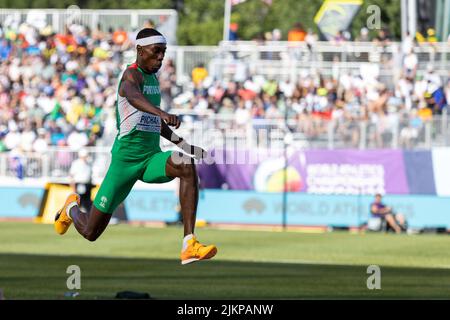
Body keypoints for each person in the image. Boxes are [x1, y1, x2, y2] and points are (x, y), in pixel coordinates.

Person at [54, 28, 217, 265]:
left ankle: (189, 243)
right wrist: (162, 112)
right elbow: (132, 97)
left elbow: (155, 125)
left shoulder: (152, 80)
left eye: (164, 52)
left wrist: (186, 146)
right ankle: (70, 209)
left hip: (151, 158)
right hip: (125, 163)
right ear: (140, 51)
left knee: (185, 163)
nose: (161, 57)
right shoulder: (131, 76)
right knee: (90, 232)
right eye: (156, 52)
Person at [69, 148, 93, 213]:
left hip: (87, 185)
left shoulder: (89, 163)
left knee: (87, 203)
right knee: (79, 202)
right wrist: (73, 188)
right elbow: (71, 176)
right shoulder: (76, 163)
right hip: (79, 184)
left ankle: (87, 218)